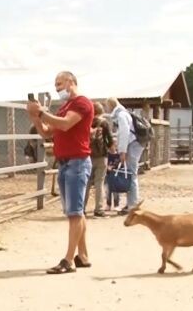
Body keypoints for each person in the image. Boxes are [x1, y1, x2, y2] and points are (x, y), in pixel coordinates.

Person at [27, 71, 94, 274]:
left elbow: (65, 124)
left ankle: (68, 260)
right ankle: (82, 255)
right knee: (75, 212)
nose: (57, 88)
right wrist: (36, 118)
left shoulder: (81, 103)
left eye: (60, 83)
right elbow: (48, 132)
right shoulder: (65, 107)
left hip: (77, 162)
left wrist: (41, 113)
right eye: (55, 85)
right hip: (66, 163)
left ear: (71, 81)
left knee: (74, 213)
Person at [105, 97, 144, 215]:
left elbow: (124, 133)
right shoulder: (123, 113)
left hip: (131, 145)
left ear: (110, 105)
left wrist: (122, 151)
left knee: (131, 174)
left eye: (107, 106)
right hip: (134, 144)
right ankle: (132, 202)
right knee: (131, 173)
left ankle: (132, 204)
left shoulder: (121, 115)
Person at [83, 101, 112, 217]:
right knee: (99, 183)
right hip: (101, 156)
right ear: (101, 111)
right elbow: (109, 139)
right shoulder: (104, 123)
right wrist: (111, 148)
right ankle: (99, 209)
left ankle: (81, 209)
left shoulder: (86, 122)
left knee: (86, 183)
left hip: (87, 156)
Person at [105, 139, 122, 211]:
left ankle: (116, 204)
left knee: (116, 191)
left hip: (116, 175)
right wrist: (107, 167)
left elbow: (120, 164)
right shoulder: (107, 155)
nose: (113, 146)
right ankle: (108, 204)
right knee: (108, 190)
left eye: (115, 144)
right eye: (112, 144)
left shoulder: (118, 155)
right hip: (108, 175)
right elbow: (104, 163)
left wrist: (115, 168)